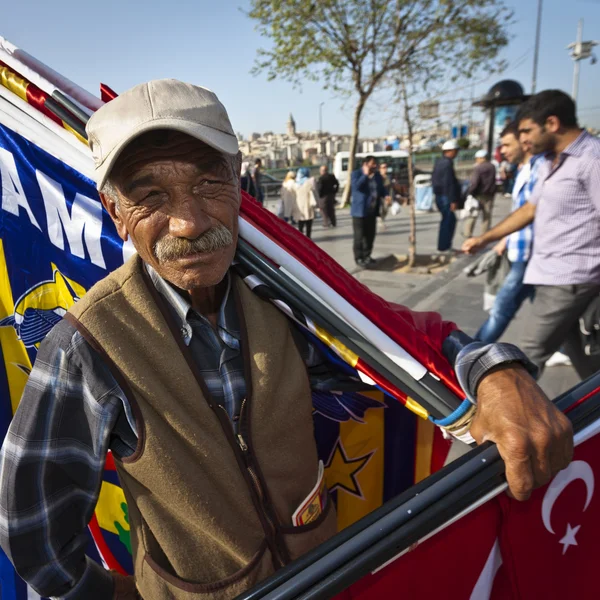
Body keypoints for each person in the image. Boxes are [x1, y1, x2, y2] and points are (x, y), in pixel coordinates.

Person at [0, 80, 573, 600]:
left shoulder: (285, 300)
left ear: (239, 181)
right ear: (115, 212)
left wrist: (497, 372)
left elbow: (402, 343)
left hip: (331, 576)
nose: (189, 222)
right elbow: (32, 527)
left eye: (207, 182)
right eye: (150, 196)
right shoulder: (89, 344)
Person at [463, 90, 600, 379]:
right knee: (581, 358)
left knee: (526, 358)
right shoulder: (553, 161)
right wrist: (484, 239)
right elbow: (529, 210)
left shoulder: (591, 160)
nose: (523, 139)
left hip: (571, 278)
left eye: (527, 130)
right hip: (548, 272)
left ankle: (512, 422)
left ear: (552, 123)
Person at [470, 122, 540, 343]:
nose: (503, 151)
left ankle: (471, 352)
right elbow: (520, 213)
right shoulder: (523, 170)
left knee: (501, 309)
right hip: (521, 252)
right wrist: (505, 240)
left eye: (507, 145)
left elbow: (529, 212)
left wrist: (485, 239)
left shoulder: (539, 170)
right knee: (548, 311)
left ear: (525, 142)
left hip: (530, 255)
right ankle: (571, 347)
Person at [351, 155, 386, 267]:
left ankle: (367, 256)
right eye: (372, 164)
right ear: (365, 164)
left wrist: (386, 195)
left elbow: (381, 188)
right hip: (359, 212)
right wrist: (365, 175)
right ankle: (359, 258)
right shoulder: (356, 174)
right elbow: (357, 187)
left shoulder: (377, 176)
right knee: (359, 236)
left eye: (375, 164)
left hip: (372, 211)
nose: (375, 166)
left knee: (370, 235)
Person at [432, 140, 462, 252]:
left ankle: (444, 245)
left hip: (440, 195)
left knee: (448, 220)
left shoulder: (439, 162)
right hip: (445, 196)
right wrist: (453, 200)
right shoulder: (447, 163)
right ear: (450, 151)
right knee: (448, 220)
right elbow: (448, 183)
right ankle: (444, 246)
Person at [463, 149, 497, 238]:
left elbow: (474, 182)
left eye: (477, 158)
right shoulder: (492, 166)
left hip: (478, 194)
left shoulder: (478, 168)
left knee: (473, 214)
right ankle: (484, 234)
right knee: (486, 216)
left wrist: (470, 192)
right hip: (489, 194)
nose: (476, 160)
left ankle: (468, 233)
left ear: (482, 158)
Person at [294, 166, 317, 238]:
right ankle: (308, 239)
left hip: (299, 206)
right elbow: (315, 191)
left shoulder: (296, 183)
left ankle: (301, 240)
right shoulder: (310, 181)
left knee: (300, 226)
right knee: (308, 226)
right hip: (308, 206)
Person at [377, 162, 393, 231]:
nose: (385, 169)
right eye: (383, 167)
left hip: (386, 196)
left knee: (386, 209)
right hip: (379, 196)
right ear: (380, 169)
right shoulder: (377, 177)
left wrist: (391, 196)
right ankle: (380, 222)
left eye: (386, 167)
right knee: (380, 210)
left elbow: (390, 188)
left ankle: (382, 220)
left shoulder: (388, 177)